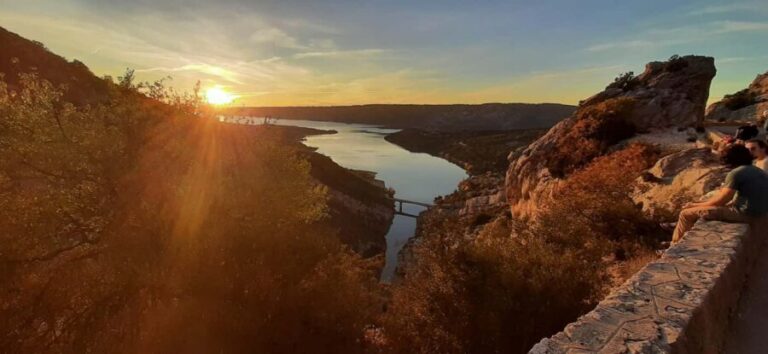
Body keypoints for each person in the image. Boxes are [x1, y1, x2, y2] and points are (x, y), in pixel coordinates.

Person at [671, 144, 768, 244]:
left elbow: (721, 201)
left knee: (685, 214)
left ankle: (674, 244)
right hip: (761, 214)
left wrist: (694, 205)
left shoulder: (736, 173)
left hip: (745, 214)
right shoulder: (758, 171)